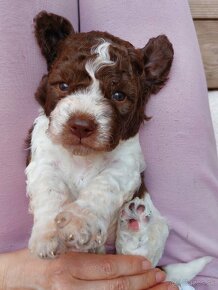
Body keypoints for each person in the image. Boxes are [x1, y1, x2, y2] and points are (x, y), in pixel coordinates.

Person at [0, 1, 217, 289]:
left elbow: (122, 175)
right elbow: (43, 174)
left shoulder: (126, 146)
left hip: (141, 269)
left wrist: (89, 212)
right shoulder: (46, 133)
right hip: (26, 267)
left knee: (139, 209)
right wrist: (47, 225)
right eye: (64, 87)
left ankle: (142, 241)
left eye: (116, 95)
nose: (82, 121)